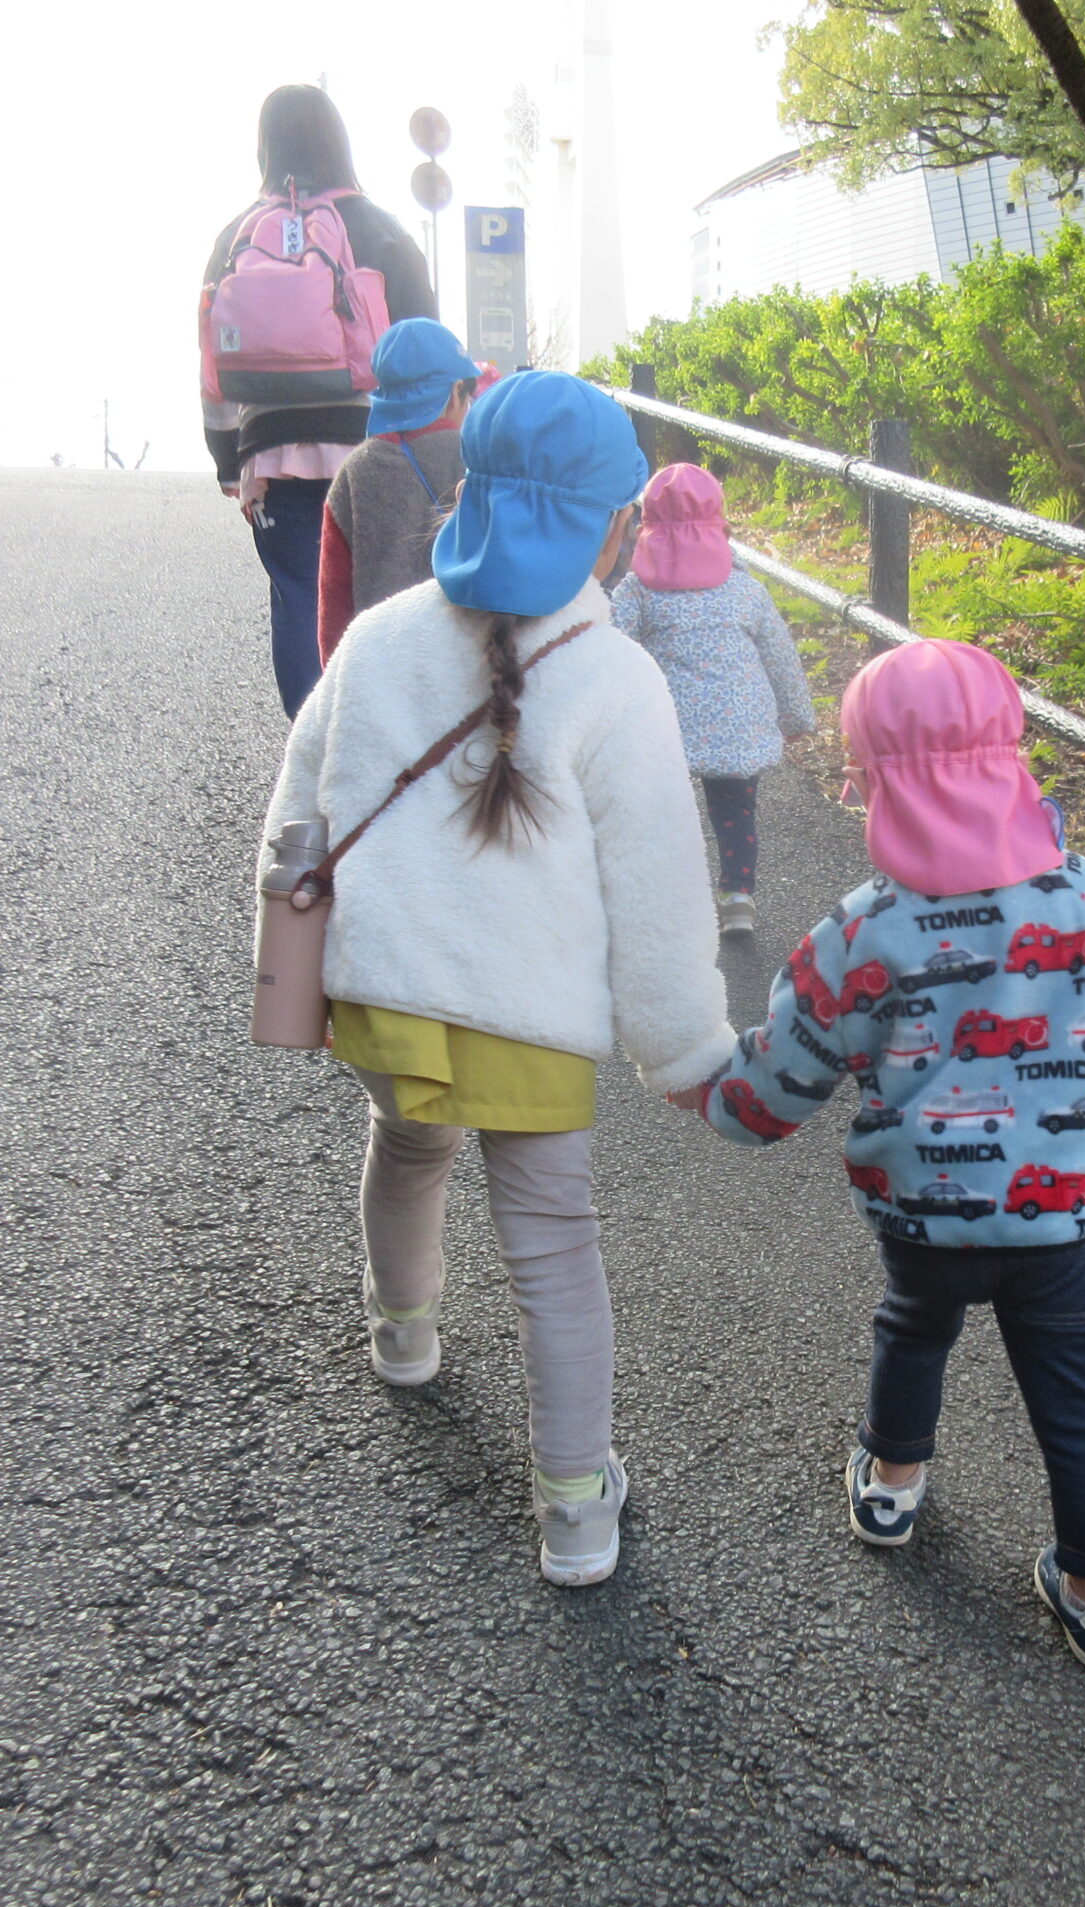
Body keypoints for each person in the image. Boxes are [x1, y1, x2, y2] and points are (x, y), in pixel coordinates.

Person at [259, 370, 736, 1587]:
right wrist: (684, 1049)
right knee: (552, 1247)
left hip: (384, 998)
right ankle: (573, 1507)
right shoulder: (615, 679)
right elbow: (658, 888)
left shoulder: (377, 639)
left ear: (469, 495)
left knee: (406, 1146)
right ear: (611, 528)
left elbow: (296, 814)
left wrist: (286, 963)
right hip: (528, 1017)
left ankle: (402, 1334)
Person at [675, 638, 1085, 1670]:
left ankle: (892, 1484)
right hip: (1065, 1220)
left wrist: (714, 1096)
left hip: (924, 1214)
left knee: (912, 1329)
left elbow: (785, 1072)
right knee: (1075, 1401)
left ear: (875, 783)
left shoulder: (863, 932)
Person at [202, 84, 436, 717]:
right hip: (375, 448)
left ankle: (313, 755)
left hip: (273, 455)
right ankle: (387, 750)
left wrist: (229, 460)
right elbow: (428, 352)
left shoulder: (235, 239)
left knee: (301, 601)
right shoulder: (381, 231)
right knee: (389, 601)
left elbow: (213, 370)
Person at [609, 463, 816, 937]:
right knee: (736, 813)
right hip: (736, 727)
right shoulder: (746, 589)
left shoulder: (637, 591)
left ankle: (668, 899)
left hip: (665, 728)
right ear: (722, 526)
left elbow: (612, 646)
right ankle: (738, 896)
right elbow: (780, 657)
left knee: (664, 813)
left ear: (645, 527)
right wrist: (795, 717)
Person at [317, 319, 478, 663]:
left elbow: (335, 596)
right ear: (455, 392)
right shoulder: (477, 461)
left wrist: (338, 674)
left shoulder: (355, 471)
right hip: (465, 663)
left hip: (379, 663)